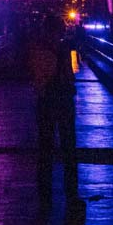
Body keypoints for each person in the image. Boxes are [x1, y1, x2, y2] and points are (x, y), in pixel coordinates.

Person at [27, 11, 78, 203]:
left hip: (46, 100)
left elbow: (37, 75)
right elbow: (67, 74)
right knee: (68, 147)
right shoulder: (63, 49)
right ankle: (71, 192)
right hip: (61, 99)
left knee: (46, 147)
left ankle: (45, 192)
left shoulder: (38, 49)